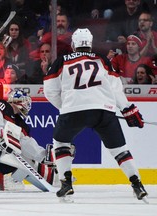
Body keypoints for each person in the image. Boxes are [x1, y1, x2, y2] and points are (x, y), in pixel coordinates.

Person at [44, 28, 148, 201]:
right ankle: (137, 184)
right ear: (90, 44)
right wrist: (127, 108)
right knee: (120, 150)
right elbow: (115, 87)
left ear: (73, 44)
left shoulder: (61, 61)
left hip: (73, 110)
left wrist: (65, 106)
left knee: (61, 142)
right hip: (103, 110)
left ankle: (66, 183)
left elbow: (50, 90)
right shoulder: (102, 60)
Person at [0, 90, 74, 186]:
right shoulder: (2, 105)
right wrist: (1, 135)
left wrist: (44, 156)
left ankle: (56, 178)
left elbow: (27, 144)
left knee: (24, 162)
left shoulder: (21, 125)